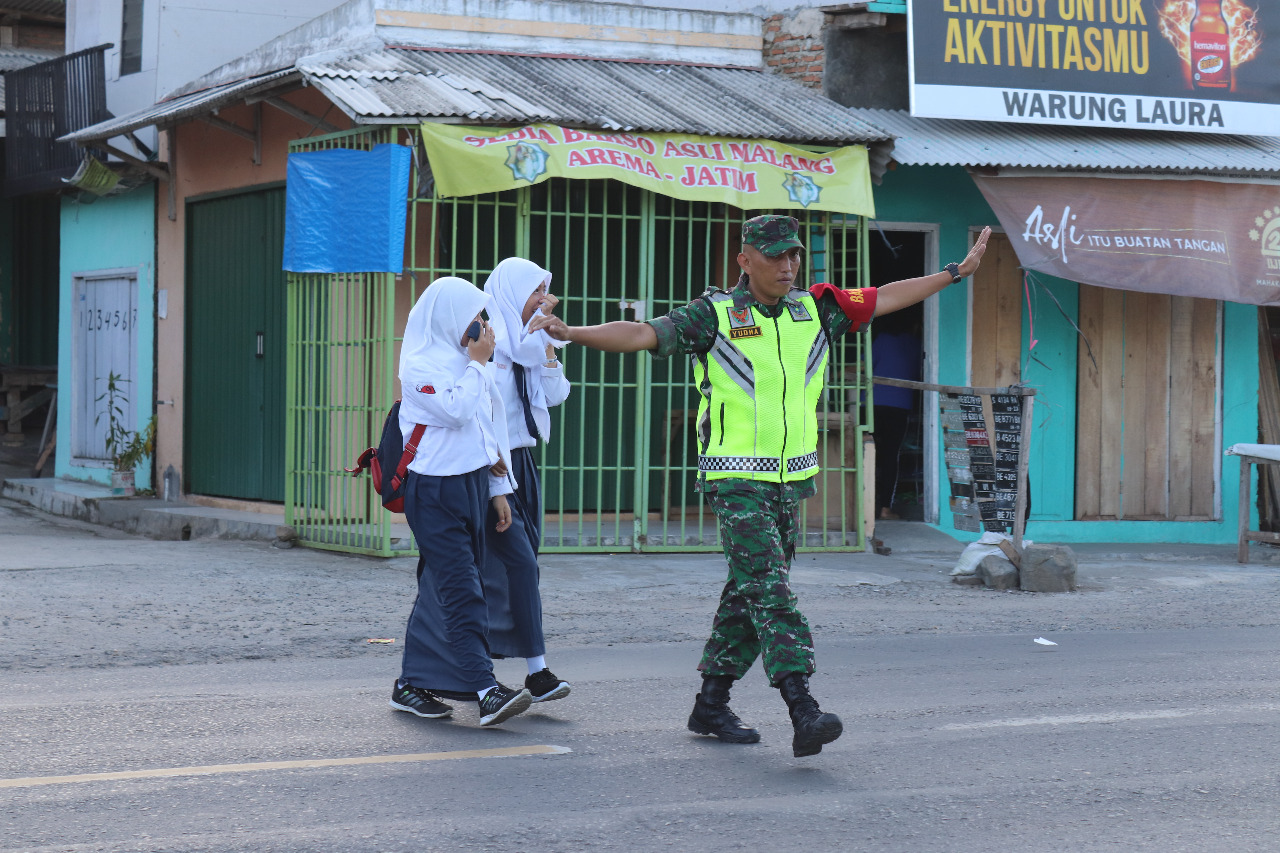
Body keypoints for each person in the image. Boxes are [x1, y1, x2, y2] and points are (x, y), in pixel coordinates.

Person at [531, 215, 991, 757]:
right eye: (774, 256)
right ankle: (804, 708)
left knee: (747, 590)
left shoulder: (816, 308)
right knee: (770, 589)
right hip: (734, 477)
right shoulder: (715, 314)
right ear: (744, 261)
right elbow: (643, 333)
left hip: (789, 480)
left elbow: (887, 297)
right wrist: (572, 333)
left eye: (793, 255)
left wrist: (954, 272)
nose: (787, 265)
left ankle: (711, 702)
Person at [389, 276, 533, 728]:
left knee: (444, 587)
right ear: (450, 317)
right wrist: (478, 365)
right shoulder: (419, 366)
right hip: (432, 492)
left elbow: (485, 426)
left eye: (481, 319)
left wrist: (497, 490)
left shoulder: (467, 362)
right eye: (474, 318)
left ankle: (411, 684)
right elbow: (455, 410)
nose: (480, 327)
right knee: (461, 589)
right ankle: (486, 689)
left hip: (471, 485)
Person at [480, 257, 573, 703]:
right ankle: (529, 670)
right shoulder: (488, 338)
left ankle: (528, 670)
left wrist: (549, 345)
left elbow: (555, 395)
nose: (543, 299)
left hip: (522, 461)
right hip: (489, 464)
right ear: (513, 292)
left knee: (522, 565)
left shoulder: (530, 340)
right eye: (535, 291)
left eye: (545, 290)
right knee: (513, 565)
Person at [871, 312, 922, 520]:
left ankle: (863, 508)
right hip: (899, 406)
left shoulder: (881, 339)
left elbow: (867, 366)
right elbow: (918, 371)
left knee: (868, 453)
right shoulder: (915, 344)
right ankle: (885, 509)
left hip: (872, 404)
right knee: (890, 457)